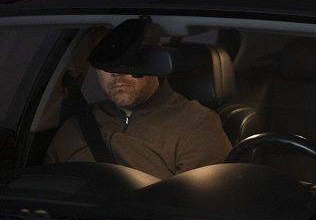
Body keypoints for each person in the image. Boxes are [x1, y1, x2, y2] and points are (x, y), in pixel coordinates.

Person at [45, 65, 232, 180]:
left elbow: (195, 210)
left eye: (128, 59)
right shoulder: (77, 124)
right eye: (106, 61)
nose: (116, 72)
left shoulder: (197, 124)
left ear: (152, 62)